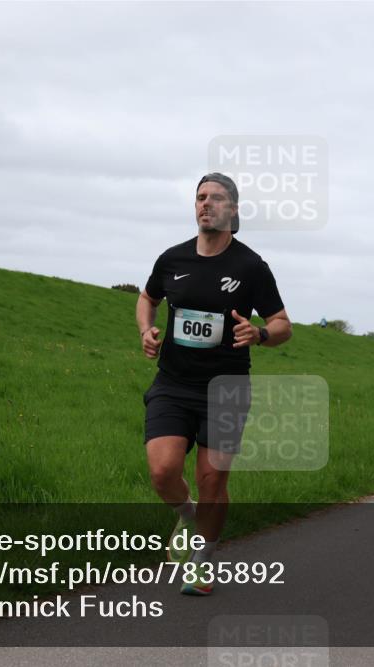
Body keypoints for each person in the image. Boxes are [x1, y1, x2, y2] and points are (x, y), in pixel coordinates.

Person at [136, 173, 292, 595]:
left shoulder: (250, 266)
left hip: (226, 388)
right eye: (200, 197)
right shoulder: (173, 259)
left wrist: (258, 333)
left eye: (216, 198)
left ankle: (202, 560)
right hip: (173, 383)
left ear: (233, 210)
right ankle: (187, 517)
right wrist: (146, 330)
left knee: (212, 480)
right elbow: (148, 297)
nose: (206, 204)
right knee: (162, 471)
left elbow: (282, 325)